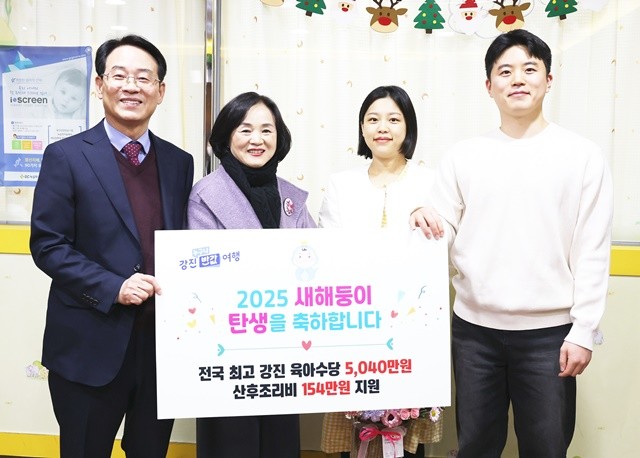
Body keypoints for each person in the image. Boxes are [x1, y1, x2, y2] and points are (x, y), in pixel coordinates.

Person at [411, 29, 613, 458]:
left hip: (550, 336)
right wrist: (426, 220)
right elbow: (443, 227)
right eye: (505, 71)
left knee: (547, 447)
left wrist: (583, 330)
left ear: (548, 80)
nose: (517, 79)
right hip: (474, 333)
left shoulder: (582, 156)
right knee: (476, 445)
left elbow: (592, 249)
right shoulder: (464, 155)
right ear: (489, 86)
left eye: (529, 69)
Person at [30, 35, 194, 457]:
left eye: (144, 77)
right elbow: (48, 244)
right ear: (100, 85)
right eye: (119, 76)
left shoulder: (179, 162)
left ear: (161, 91)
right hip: (89, 343)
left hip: (161, 348)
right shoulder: (65, 156)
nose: (131, 86)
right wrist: (113, 287)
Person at [187, 91, 316, 458]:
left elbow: (319, 263)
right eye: (245, 130)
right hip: (228, 350)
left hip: (284, 349)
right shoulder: (205, 196)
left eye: (266, 130)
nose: (256, 139)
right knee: (232, 444)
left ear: (279, 138)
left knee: (280, 443)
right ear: (227, 136)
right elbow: (203, 276)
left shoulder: (292, 197)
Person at [318, 85, 436, 457]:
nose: (382, 127)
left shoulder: (431, 183)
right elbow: (329, 253)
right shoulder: (341, 184)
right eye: (372, 119)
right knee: (353, 428)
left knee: (408, 431)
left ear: (408, 126)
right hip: (355, 321)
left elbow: (443, 249)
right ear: (362, 128)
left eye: (393, 119)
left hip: (412, 324)